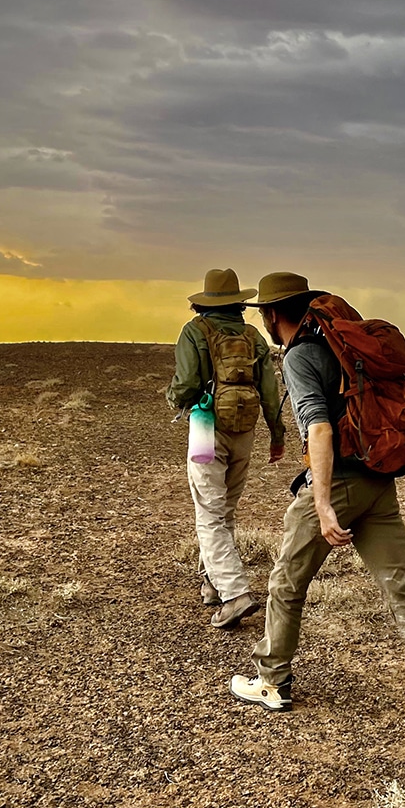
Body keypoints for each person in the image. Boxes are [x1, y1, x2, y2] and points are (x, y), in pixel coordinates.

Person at [229, 271, 405, 734]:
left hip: (339, 482)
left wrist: (321, 504)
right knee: (404, 592)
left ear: (272, 314)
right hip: (378, 482)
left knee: (285, 584)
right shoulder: (346, 351)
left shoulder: (301, 356)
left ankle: (271, 681)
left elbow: (319, 430)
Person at [166, 268, 287, 629]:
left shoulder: (194, 332)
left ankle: (235, 594)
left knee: (209, 512)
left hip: (206, 427)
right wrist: (277, 435)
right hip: (244, 428)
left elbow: (186, 384)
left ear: (205, 302)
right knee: (225, 509)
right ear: (238, 302)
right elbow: (270, 393)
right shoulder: (253, 336)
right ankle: (212, 584)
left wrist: (174, 399)